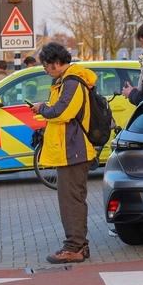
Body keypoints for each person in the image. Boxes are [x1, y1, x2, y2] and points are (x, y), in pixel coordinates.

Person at [31, 42, 97, 264]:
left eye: (46, 66)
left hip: (74, 151)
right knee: (71, 199)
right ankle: (78, 246)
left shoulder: (72, 82)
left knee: (71, 201)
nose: (46, 71)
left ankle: (74, 247)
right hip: (70, 150)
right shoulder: (66, 81)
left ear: (57, 62)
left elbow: (62, 112)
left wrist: (43, 108)